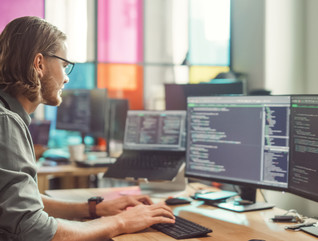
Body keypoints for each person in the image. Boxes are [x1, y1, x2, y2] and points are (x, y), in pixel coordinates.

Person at [0, 16, 175, 241]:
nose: (66, 79)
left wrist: (92, 209)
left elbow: (19, 205)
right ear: (39, 64)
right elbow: (33, 228)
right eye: (64, 65)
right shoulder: (6, 121)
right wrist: (121, 222)